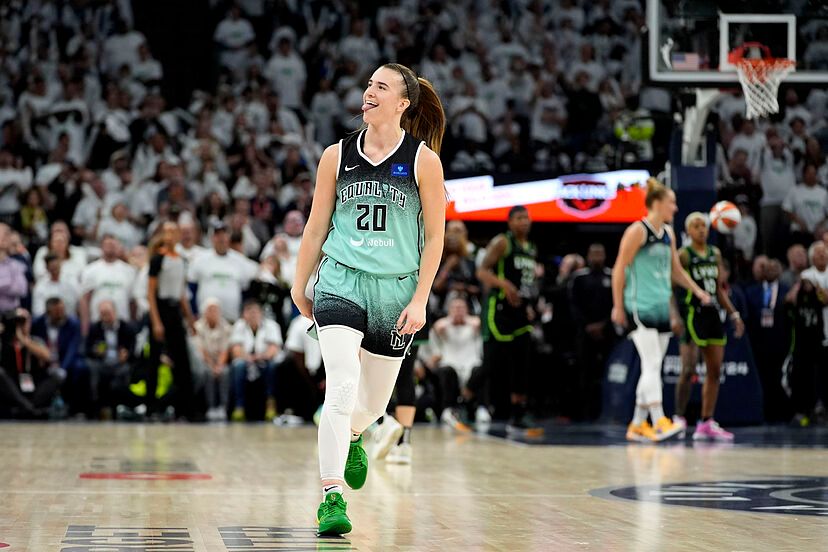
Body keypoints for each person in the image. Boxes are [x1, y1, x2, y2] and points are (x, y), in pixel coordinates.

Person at [290, 63, 446, 535]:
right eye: (368, 85)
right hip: (341, 278)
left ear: (403, 103)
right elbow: (317, 226)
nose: (368, 92)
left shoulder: (423, 161)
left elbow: (435, 239)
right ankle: (331, 498)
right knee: (339, 385)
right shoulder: (336, 156)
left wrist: (420, 300)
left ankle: (356, 434)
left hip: (396, 288)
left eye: (381, 86)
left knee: (374, 403)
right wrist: (300, 282)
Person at [611, 179, 711, 443]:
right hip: (638, 306)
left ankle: (636, 424)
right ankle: (658, 420)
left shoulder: (669, 233)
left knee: (652, 366)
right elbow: (619, 269)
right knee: (652, 363)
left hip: (661, 306)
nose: (676, 208)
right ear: (656, 203)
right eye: (672, 203)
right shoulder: (637, 231)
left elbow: (675, 270)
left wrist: (697, 291)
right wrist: (618, 305)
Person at [673, 213, 745, 441]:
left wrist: (734, 314)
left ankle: (706, 421)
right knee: (689, 369)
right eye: (696, 226)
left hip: (712, 314)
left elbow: (719, 289)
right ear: (688, 231)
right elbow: (669, 288)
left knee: (714, 370)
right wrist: (675, 316)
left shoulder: (715, 253)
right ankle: (679, 417)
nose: (701, 229)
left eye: (704, 225)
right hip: (691, 314)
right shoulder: (683, 255)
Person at [477, 205, 541, 434]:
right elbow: (482, 271)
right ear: (510, 222)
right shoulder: (503, 242)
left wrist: (532, 304)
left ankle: (518, 413)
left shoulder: (531, 248)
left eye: (527, 217)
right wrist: (504, 285)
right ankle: (463, 403)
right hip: (500, 308)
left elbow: (529, 282)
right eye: (519, 218)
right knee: (492, 361)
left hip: (521, 311)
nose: (524, 221)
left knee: (521, 363)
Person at [147, 221, 196, 419]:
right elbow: (150, 293)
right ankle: (151, 407)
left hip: (176, 310)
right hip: (160, 309)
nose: (169, 235)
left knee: (182, 360)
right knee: (154, 360)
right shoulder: (157, 259)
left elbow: (182, 293)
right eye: (165, 231)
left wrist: (190, 319)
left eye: (172, 231)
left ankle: (186, 408)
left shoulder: (182, 260)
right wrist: (156, 321)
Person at [568, 243, 614, 420]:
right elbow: (573, 305)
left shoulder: (612, 276)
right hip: (584, 333)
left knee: (608, 371)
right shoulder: (579, 278)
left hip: (607, 332)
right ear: (588, 256)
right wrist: (587, 326)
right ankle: (584, 412)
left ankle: (606, 410)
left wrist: (603, 325)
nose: (597, 257)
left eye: (600, 254)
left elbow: (616, 304)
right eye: (593, 254)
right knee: (584, 372)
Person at [188, 221, 258, 322]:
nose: (221, 238)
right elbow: (191, 289)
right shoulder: (200, 259)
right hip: (206, 320)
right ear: (212, 238)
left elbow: (245, 291)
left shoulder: (240, 260)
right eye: (217, 235)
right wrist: (193, 313)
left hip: (232, 318)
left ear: (229, 237)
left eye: (224, 234)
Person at [228, 299, 282, 422]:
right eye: (249, 311)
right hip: (246, 361)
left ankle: (270, 404)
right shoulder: (239, 326)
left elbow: (273, 349)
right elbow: (236, 350)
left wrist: (260, 357)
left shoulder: (271, 325)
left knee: (272, 366)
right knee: (238, 365)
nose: (252, 315)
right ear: (243, 314)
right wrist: (249, 358)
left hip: (264, 360)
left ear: (261, 313)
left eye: (255, 312)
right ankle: (239, 406)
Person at [0, 308, 60, 418]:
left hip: (33, 383)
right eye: (17, 320)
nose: (21, 324)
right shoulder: (4, 341)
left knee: (57, 375)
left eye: (24, 320)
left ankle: (26, 408)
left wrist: (24, 340)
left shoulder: (36, 340)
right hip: (12, 385)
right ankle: (29, 409)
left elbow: (48, 357)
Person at [30, 297, 85, 415]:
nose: (61, 314)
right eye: (57, 311)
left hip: (65, 360)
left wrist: (63, 368)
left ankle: (75, 408)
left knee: (79, 367)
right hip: (44, 360)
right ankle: (39, 405)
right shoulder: (37, 323)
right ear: (48, 312)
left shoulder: (73, 323)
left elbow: (72, 348)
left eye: (62, 310)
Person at [78, 235, 137, 336]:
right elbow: (85, 300)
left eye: (113, 244)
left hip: (122, 322)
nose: (110, 247)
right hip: (98, 322)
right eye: (107, 244)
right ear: (101, 247)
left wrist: (133, 322)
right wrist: (85, 324)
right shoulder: (90, 270)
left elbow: (132, 301)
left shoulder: (129, 271)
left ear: (119, 247)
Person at [194, 297, 233, 421]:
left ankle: (223, 406)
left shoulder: (226, 327)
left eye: (216, 309)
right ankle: (210, 407)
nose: (213, 312)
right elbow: (201, 350)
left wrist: (219, 366)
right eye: (210, 309)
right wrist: (211, 365)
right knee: (207, 373)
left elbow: (225, 350)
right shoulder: (197, 327)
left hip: (220, 361)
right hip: (204, 361)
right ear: (204, 312)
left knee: (225, 372)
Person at [31, 253, 81, 318]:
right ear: (47, 268)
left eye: (57, 267)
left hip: (69, 320)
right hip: (48, 321)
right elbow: (38, 311)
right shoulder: (40, 286)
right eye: (52, 268)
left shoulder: (72, 282)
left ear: (60, 265)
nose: (55, 270)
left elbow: (79, 303)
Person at [0, 223, 29, 313]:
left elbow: (22, 289)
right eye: (5, 234)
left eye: (8, 235)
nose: (7, 238)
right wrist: (9, 282)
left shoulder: (16, 264)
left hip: (11, 315)